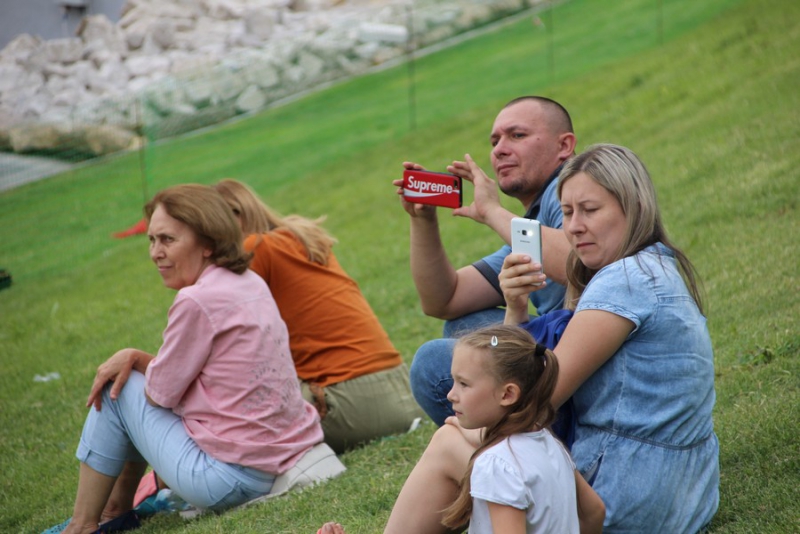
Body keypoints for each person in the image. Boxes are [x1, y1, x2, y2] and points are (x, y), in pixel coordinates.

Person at [368, 144, 719, 533]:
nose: (574, 226)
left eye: (590, 210)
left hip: (626, 497)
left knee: (450, 441)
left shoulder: (623, 283)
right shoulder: (653, 264)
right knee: (471, 370)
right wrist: (516, 309)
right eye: (567, 213)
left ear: (632, 206)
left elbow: (534, 401)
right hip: (685, 491)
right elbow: (448, 304)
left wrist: (471, 435)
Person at [43, 184, 324, 534]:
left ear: (208, 242)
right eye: (151, 240)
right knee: (127, 377)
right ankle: (112, 513)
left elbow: (159, 393)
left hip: (229, 479)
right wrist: (138, 358)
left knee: (120, 384)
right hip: (275, 459)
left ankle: (84, 525)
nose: (155, 253)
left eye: (168, 240)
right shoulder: (249, 281)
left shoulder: (197, 299)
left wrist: (133, 359)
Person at [318, 325, 605, 534]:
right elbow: (594, 513)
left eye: (464, 384)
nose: (451, 395)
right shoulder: (552, 446)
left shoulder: (495, 465)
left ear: (507, 394)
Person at [400, 96, 577, 424]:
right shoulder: (530, 225)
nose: (499, 149)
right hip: (560, 341)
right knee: (463, 326)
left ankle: (516, 447)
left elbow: (575, 263)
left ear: (564, 145)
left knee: (432, 362)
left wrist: (492, 211)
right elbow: (445, 299)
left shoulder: (570, 191)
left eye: (517, 136)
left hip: (583, 362)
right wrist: (423, 222)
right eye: (494, 141)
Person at [213, 179, 423, 453]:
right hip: (402, 391)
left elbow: (220, 338)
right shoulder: (300, 235)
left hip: (349, 404)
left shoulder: (255, 249)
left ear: (231, 219)